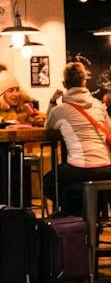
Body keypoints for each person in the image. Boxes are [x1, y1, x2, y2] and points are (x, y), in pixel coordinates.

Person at [46, 62, 111, 217]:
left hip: (80, 167)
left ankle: (74, 216)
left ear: (64, 84)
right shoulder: (98, 105)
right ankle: (92, 215)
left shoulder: (59, 110)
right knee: (78, 178)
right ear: (85, 82)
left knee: (49, 182)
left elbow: (48, 125)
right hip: (106, 167)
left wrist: (52, 102)